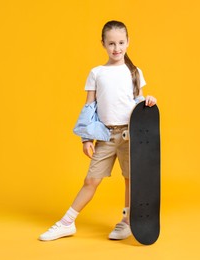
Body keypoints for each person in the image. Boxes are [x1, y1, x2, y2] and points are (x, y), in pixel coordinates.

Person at [39, 20, 157, 241]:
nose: (117, 48)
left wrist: (148, 101)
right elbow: (89, 108)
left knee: (131, 180)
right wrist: (86, 138)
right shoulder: (96, 73)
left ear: (128, 42)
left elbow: (139, 100)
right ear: (103, 43)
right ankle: (66, 223)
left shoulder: (135, 72)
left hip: (132, 136)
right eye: (111, 43)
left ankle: (127, 222)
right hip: (106, 136)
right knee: (91, 180)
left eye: (121, 42)